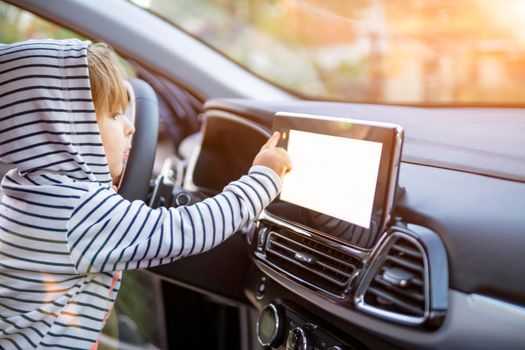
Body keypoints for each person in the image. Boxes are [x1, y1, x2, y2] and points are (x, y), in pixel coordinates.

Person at [0, 39, 291, 349]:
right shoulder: (80, 210)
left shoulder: (26, 188)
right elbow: (186, 231)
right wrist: (263, 179)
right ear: (64, 127)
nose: (130, 128)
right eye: (114, 115)